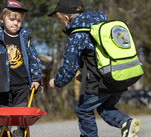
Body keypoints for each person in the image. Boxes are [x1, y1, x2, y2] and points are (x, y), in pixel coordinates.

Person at [47, 0, 141, 137]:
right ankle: (126, 123)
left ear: (66, 18)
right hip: (118, 76)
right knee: (104, 107)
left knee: (83, 110)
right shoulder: (100, 26)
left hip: (100, 83)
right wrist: (84, 74)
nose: (61, 25)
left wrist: (57, 82)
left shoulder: (77, 34)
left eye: (59, 21)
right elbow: (97, 58)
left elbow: (70, 66)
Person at [0, 0, 42, 136]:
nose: (16, 23)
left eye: (19, 21)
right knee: (4, 112)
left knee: (21, 112)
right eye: (12, 19)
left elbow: (34, 59)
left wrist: (36, 78)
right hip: (2, 85)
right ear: (2, 19)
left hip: (22, 84)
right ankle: (5, 132)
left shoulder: (25, 38)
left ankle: (20, 131)